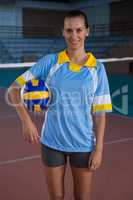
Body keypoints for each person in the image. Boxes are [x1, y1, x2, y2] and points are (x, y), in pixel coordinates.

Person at [8, 10, 112, 200]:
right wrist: (26, 121)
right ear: (63, 32)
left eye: (79, 30)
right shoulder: (50, 62)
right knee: (56, 197)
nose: (74, 36)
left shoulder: (97, 69)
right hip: (52, 142)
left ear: (87, 31)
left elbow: (99, 113)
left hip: (83, 144)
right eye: (69, 30)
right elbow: (13, 89)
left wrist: (98, 149)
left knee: (82, 197)